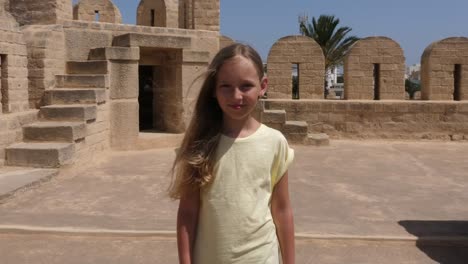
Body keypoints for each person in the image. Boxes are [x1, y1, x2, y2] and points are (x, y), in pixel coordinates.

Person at [169, 43, 295, 264]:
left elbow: (282, 210)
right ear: (214, 90)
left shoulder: (275, 143)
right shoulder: (200, 144)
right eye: (226, 86)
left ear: (263, 86)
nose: (236, 96)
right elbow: (188, 212)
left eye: (246, 86)